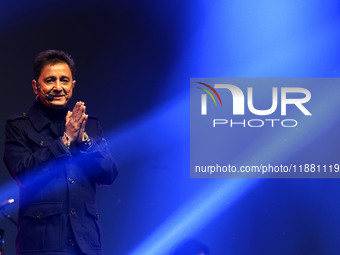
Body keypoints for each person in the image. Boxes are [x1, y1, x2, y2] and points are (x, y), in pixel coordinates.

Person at [3, 50, 118, 255]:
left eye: (64, 80)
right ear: (36, 86)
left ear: (72, 85)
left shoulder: (89, 126)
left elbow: (109, 174)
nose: (58, 87)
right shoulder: (19, 126)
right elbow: (23, 173)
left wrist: (83, 141)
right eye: (50, 80)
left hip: (86, 244)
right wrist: (65, 140)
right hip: (42, 245)